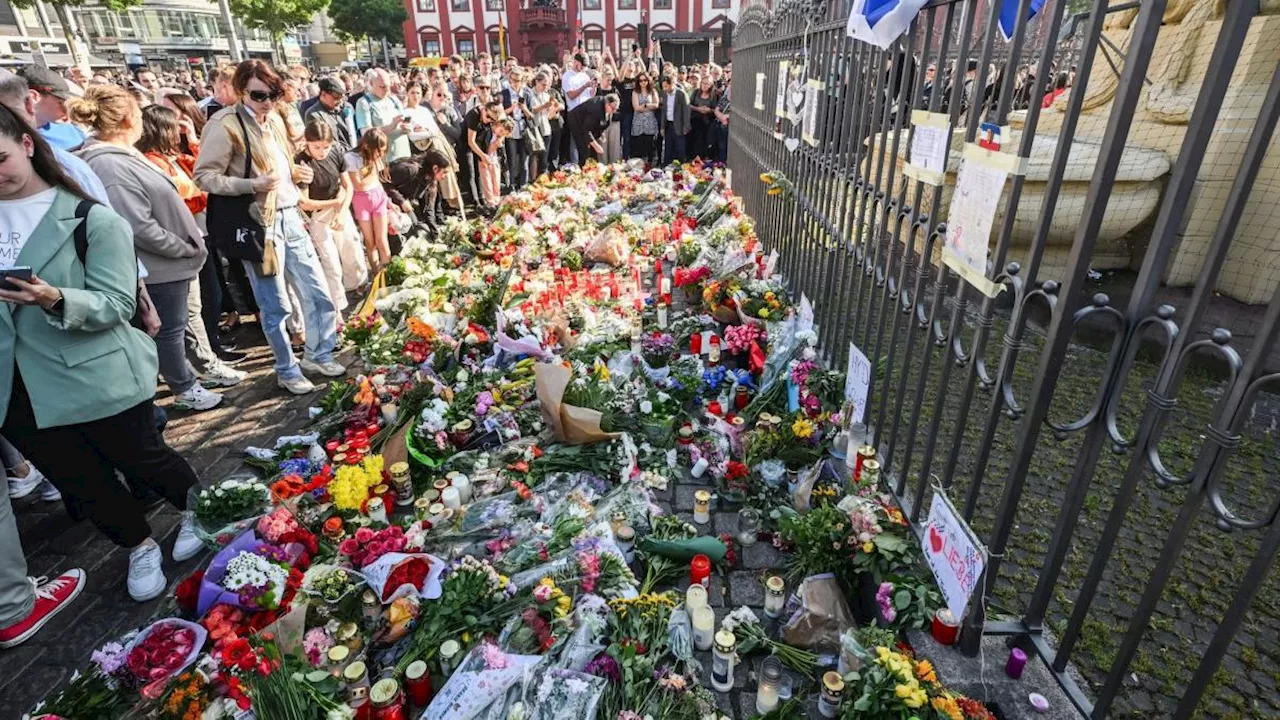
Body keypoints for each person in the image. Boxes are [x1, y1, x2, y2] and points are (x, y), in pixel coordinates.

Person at [0, 102, 203, 602]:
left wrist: (55, 297)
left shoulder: (91, 218)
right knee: (81, 480)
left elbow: (116, 302)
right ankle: (136, 542)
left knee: (143, 457)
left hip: (92, 371)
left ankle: (202, 507)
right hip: (15, 386)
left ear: (27, 145)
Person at [194, 59, 344, 395]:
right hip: (259, 223)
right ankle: (286, 369)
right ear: (241, 90)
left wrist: (297, 173)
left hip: (290, 214)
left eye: (273, 94)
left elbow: (284, 165)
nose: (267, 102)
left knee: (318, 292)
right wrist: (252, 185)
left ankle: (318, 354)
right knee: (276, 304)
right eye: (259, 95)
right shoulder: (224, 124)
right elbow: (204, 177)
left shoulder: (274, 119)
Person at [72, 86, 225, 412]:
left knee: (177, 324)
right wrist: (181, 247)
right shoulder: (110, 164)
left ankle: (190, 376)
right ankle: (184, 388)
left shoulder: (121, 156)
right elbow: (137, 225)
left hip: (166, 262)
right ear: (128, 120)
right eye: (140, 114)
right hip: (158, 265)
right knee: (168, 330)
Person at [134, 104, 247, 390]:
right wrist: (200, 196)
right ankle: (200, 364)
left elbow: (200, 171)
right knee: (193, 306)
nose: (177, 132)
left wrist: (195, 138)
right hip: (182, 239)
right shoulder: (153, 162)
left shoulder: (171, 158)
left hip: (198, 234)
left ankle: (210, 354)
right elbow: (191, 190)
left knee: (207, 298)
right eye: (174, 127)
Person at [296, 121, 363, 312]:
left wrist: (341, 212)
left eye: (326, 147)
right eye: (316, 147)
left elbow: (348, 186)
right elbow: (305, 202)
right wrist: (334, 204)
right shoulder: (302, 163)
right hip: (318, 214)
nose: (322, 152)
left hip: (339, 205)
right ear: (307, 142)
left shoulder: (335, 153)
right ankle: (338, 305)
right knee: (330, 261)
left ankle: (356, 285)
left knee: (351, 246)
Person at [346, 129, 394, 272]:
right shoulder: (351, 158)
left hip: (377, 196)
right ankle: (376, 273)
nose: (381, 155)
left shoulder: (376, 158)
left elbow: (377, 181)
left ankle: (389, 273)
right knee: (370, 242)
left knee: (382, 240)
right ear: (367, 146)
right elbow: (358, 185)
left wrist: (387, 199)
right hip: (361, 201)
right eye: (378, 151)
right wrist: (371, 174)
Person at [15, 67, 85, 152]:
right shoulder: (12, 139)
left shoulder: (72, 130)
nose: (67, 109)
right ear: (33, 98)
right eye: (61, 102)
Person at [355, 68, 411, 162]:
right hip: (385, 160)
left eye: (388, 86)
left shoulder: (394, 99)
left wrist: (408, 127)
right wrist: (390, 127)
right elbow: (366, 134)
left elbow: (406, 121)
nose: (387, 90)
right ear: (371, 84)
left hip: (404, 154)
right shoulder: (364, 102)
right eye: (382, 87)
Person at [462, 99, 503, 213]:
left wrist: (484, 154)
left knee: (480, 172)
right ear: (484, 109)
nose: (489, 121)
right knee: (471, 173)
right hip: (466, 145)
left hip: (479, 144)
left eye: (492, 120)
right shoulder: (474, 115)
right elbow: (470, 141)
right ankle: (476, 203)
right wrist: (483, 155)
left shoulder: (489, 119)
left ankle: (483, 200)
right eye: (488, 117)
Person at [303, 77, 357, 152]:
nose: (340, 101)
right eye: (336, 98)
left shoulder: (346, 107)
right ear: (323, 94)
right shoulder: (314, 115)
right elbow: (326, 143)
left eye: (342, 97)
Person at [567, 93, 619, 164]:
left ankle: (593, 168)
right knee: (584, 149)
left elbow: (605, 122)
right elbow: (587, 130)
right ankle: (583, 168)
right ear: (607, 104)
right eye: (613, 109)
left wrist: (601, 133)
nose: (614, 111)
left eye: (616, 109)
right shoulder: (595, 109)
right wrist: (596, 146)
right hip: (577, 121)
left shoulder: (608, 108)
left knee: (593, 151)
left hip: (589, 125)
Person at [502, 69, 529, 189]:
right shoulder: (504, 94)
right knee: (512, 158)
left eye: (519, 81)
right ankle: (512, 184)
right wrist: (512, 108)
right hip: (510, 130)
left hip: (524, 128)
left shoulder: (527, 93)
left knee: (524, 160)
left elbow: (531, 115)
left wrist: (524, 108)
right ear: (509, 80)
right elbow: (500, 114)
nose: (516, 83)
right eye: (514, 81)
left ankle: (524, 184)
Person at [524, 72, 554, 180]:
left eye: (547, 85)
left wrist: (551, 107)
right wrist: (544, 106)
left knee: (544, 156)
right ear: (536, 82)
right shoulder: (530, 94)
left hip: (546, 128)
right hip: (535, 128)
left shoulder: (546, 95)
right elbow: (533, 110)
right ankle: (533, 179)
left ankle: (542, 178)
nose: (545, 87)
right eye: (543, 84)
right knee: (534, 155)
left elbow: (549, 114)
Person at [480, 118, 512, 207]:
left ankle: (497, 201)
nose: (500, 133)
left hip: (495, 159)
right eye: (501, 130)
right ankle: (490, 203)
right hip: (485, 159)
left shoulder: (499, 136)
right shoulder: (487, 131)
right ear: (498, 124)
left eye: (503, 133)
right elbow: (486, 148)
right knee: (487, 182)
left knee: (496, 182)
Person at [630, 72, 660, 163]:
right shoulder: (635, 92)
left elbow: (656, 105)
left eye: (645, 80)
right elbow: (636, 107)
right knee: (639, 145)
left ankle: (650, 164)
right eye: (640, 81)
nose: (643, 82)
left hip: (650, 121)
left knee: (650, 144)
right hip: (638, 122)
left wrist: (645, 105)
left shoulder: (653, 91)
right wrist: (648, 107)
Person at [660, 75, 690, 165]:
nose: (664, 89)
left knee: (680, 147)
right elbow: (664, 111)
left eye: (666, 86)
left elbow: (686, 111)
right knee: (668, 147)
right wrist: (662, 127)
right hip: (668, 124)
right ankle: (667, 165)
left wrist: (686, 126)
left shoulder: (681, 94)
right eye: (663, 86)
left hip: (679, 124)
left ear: (672, 84)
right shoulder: (665, 94)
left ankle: (680, 165)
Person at [597, 66, 623, 164]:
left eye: (611, 80)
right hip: (601, 122)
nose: (610, 82)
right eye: (608, 80)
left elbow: (620, 106)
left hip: (614, 121)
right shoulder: (597, 91)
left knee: (615, 147)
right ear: (602, 78)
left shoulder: (615, 91)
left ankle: (615, 167)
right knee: (602, 148)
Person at [689, 75, 718, 161]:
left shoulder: (713, 95)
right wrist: (698, 109)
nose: (705, 85)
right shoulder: (696, 92)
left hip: (707, 121)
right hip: (695, 119)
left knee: (705, 140)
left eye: (707, 84)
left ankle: (703, 157)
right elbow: (689, 105)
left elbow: (715, 109)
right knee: (696, 138)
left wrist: (709, 110)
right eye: (703, 83)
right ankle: (694, 157)